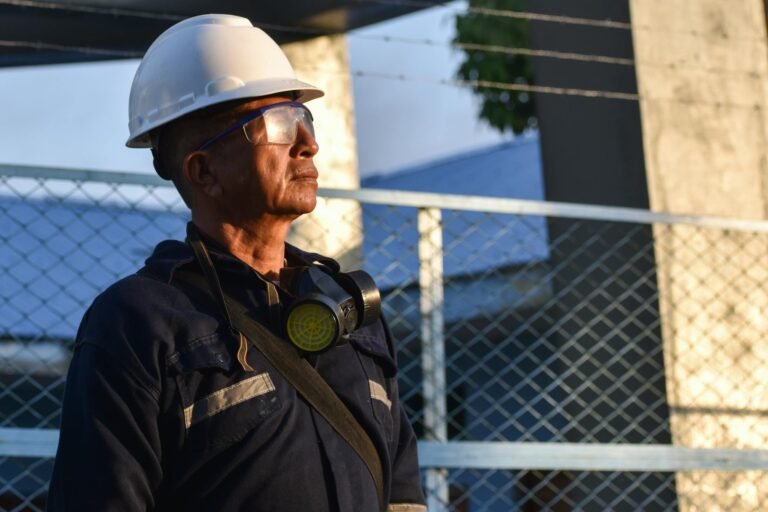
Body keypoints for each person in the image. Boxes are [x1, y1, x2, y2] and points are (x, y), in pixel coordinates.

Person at [47, 13, 425, 512]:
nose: (308, 144)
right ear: (204, 171)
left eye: (304, 119)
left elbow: (402, 495)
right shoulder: (137, 325)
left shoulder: (350, 311)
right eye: (278, 125)